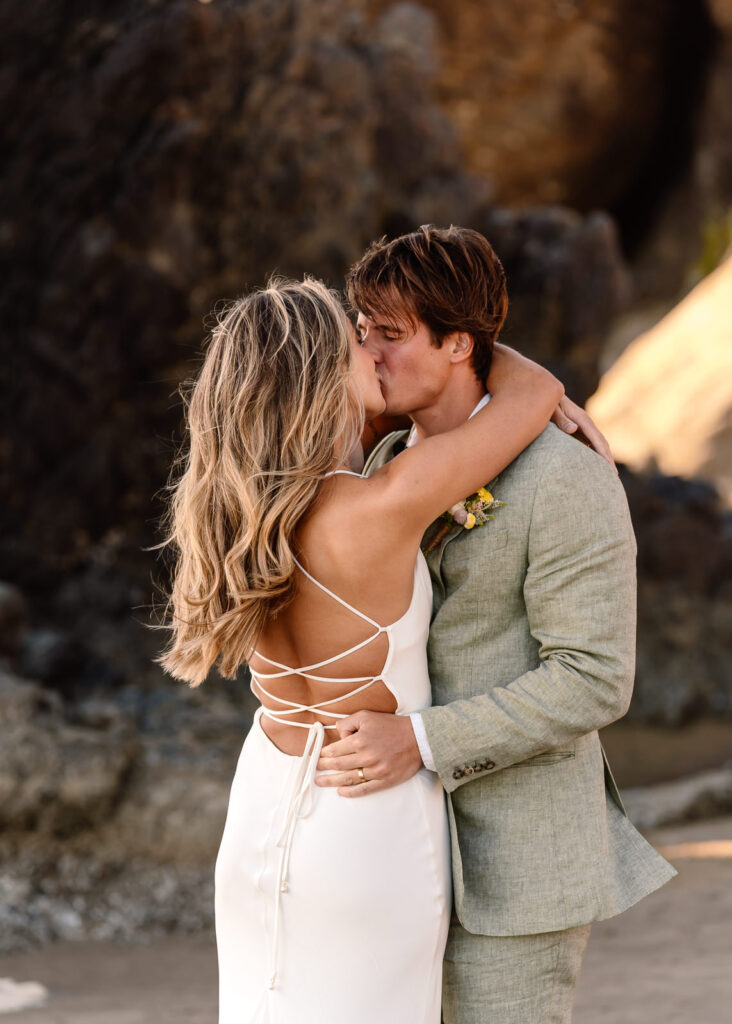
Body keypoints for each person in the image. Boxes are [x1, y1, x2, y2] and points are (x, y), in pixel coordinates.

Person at [155, 273, 578, 1023]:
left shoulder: (230, 514)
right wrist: (462, 345)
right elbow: (532, 391)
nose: (373, 351)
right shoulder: (379, 507)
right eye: (357, 339)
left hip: (262, 803)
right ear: (321, 373)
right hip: (364, 819)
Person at [315, 225, 678, 1024]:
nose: (368, 353)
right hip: (390, 853)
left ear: (458, 343)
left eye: (392, 334)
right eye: (362, 329)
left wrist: (420, 739)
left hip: (518, 865)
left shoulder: (563, 476)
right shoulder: (375, 468)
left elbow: (592, 679)